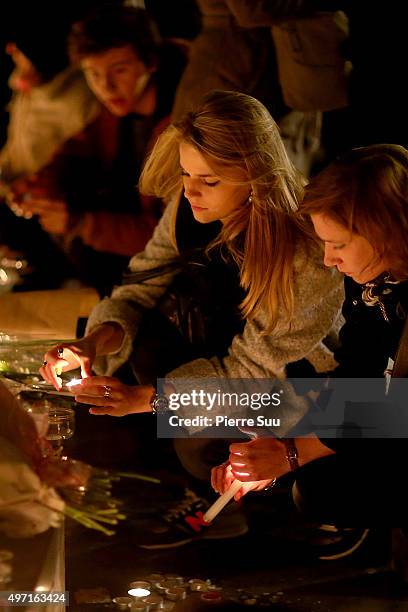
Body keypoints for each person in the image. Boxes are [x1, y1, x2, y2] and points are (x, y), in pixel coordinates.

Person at [41, 90, 343, 547]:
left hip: (307, 388)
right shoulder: (189, 210)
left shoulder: (303, 244)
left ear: (256, 174)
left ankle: (295, 506)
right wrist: (94, 342)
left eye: (210, 180)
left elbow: (254, 372)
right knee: (133, 381)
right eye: (185, 173)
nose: (189, 191)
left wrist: (146, 399)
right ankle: (202, 485)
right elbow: (140, 285)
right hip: (221, 357)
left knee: (186, 427)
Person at [211, 144, 408, 558]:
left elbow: (396, 409)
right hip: (389, 419)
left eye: (337, 243)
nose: (328, 259)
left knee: (322, 488)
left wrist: (292, 453)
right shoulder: (373, 282)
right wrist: (283, 443)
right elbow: (359, 370)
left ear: (384, 229)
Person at [13, 5, 186, 293]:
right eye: (92, 74)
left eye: (119, 70)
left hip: (166, 265)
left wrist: (80, 223)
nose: (106, 86)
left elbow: (171, 236)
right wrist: (40, 185)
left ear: (151, 63)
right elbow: (77, 148)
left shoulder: (178, 124)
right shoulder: (116, 111)